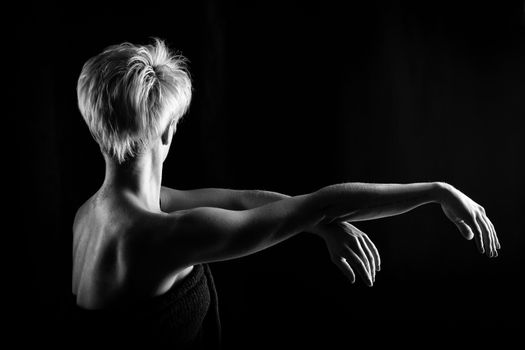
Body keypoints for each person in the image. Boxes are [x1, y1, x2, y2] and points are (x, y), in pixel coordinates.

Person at [71, 38, 500, 348]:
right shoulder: (162, 238)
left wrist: (318, 227)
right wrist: (435, 191)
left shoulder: (95, 215)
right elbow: (321, 202)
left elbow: (241, 200)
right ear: (167, 131)